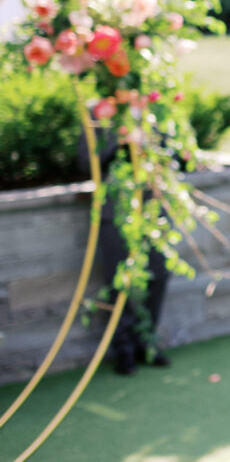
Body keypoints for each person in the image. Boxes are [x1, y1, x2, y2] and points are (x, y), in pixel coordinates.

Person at [79, 126, 171, 376]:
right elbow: (87, 162)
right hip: (115, 209)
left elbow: (170, 154)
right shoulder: (98, 113)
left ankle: (146, 341)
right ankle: (124, 348)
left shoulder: (151, 108)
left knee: (159, 273)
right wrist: (120, 143)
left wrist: (148, 146)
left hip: (152, 209)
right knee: (118, 280)